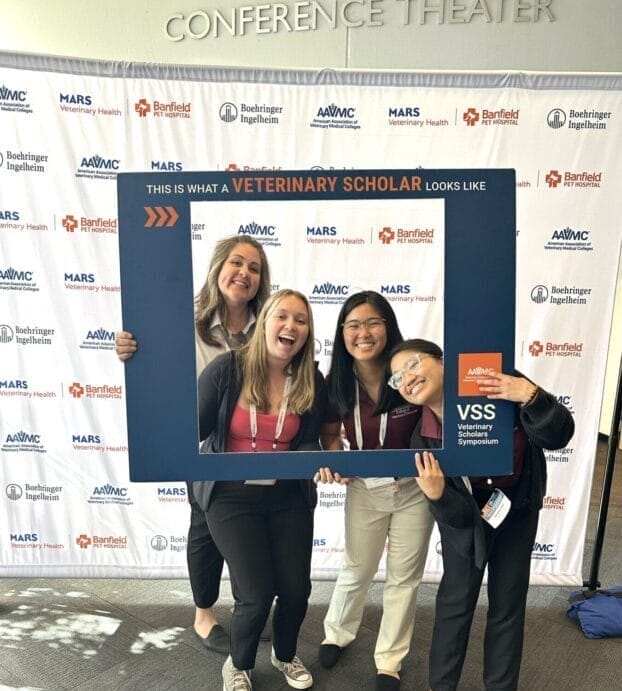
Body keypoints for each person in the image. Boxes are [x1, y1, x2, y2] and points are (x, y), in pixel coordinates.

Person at [388, 339, 575, 691]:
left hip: (517, 507)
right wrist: (439, 495)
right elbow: (456, 519)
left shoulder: (496, 381)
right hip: (468, 517)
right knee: (456, 602)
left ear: (442, 361)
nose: (406, 378)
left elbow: (559, 434)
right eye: (397, 378)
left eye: (412, 364)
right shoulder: (424, 439)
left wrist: (530, 396)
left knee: (508, 603)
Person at [115, 234, 270, 655]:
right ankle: (204, 614)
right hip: (202, 445)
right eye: (237, 263)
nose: (244, 274)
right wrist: (131, 349)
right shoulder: (184, 320)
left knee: (250, 524)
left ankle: (247, 609)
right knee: (204, 525)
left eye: (254, 268)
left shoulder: (271, 324)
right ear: (218, 268)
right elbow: (150, 361)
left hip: (259, 445)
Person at [196, 289, 328, 691]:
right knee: (255, 593)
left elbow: (307, 441)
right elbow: (195, 430)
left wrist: (319, 461)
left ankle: (284, 654)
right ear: (265, 321)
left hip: (287, 495)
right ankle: (238, 664)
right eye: (282, 317)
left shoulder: (311, 380)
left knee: (295, 590)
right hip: (230, 495)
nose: (291, 326)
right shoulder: (225, 370)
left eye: (301, 321)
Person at [315, 291, 434, 691]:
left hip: (415, 489)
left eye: (373, 323)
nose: (363, 333)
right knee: (357, 567)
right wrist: (336, 460)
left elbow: (435, 414)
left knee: (404, 577)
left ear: (388, 327)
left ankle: (389, 659)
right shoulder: (336, 382)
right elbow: (331, 434)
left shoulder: (407, 373)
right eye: (353, 325)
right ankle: (337, 633)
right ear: (342, 333)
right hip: (365, 489)